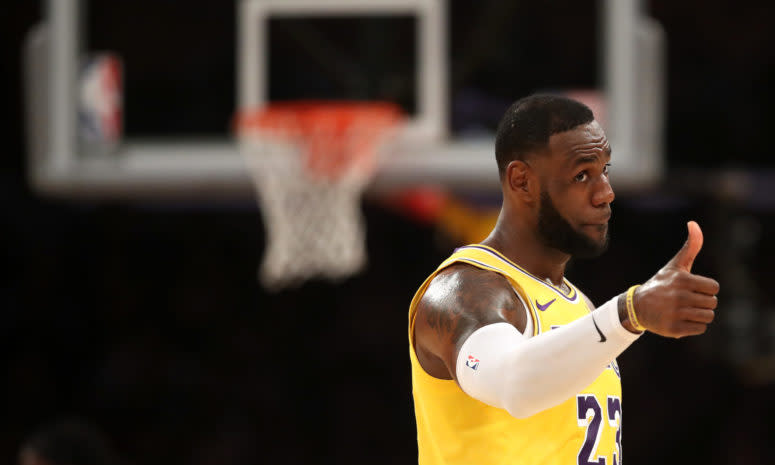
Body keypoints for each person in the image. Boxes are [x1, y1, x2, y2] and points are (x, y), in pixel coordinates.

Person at [408, 94, 719, 465]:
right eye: (582, 175)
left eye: (605, 170)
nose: (605, 193)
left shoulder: (579, 305)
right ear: (522, 181)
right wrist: (629, 313)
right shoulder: (462, 293)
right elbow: (514, 385)